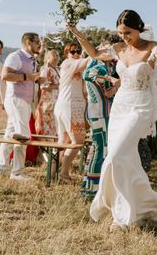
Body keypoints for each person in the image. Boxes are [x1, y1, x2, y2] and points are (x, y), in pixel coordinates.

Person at [68, 11, 157, 230]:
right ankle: (136, 204)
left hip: (141, 108)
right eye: (120, 33)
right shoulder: (118, 49)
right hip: (120, 107)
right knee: (123, 159)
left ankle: (124, 216)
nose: (124, 37)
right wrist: (76, 32)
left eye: (128, 32)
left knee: (116, 156)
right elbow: (94, 53)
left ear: (139, 28)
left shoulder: (151, 47)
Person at [0, 33, 41, 181]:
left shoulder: (31, 59)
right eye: (37, 42)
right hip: (16, 99)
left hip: (25, 101)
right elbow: (5, 75)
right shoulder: (15, 56)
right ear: (28, 42)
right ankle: (17, 173)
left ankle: (2, 168)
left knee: (10, 133)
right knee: (23, 135)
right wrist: (28, 77)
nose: (39, 45)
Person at [81, 50, 117, 199]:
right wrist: (113, 82)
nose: (110, 52)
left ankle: (89, 185)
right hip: (100, 113)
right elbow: (90, 76)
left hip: (98, 112)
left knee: (96, 149)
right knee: (100, 148)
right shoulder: (98, 66)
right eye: (106, 49)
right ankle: (93, 189)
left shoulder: (101, 65)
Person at [54, 43, 90, 182]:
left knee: (63, 141)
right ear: (66, 54)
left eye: (78, 51)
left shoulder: (75, 67)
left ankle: (53, 172)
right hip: (71, 108)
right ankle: (64, 174)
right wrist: (94, 51)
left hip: (65, 107)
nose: (76, 54)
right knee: (78, 141)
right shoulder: (68, 63)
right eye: (72, 52)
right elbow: (88, 61)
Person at [35, 49, 60, 136]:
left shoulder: (58, 69)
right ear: (48, 58)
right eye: (54, 55)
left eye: (57, 55)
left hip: (56, 100)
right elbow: (43, 86)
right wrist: (58, 86)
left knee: (56, 125)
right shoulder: (46, 69)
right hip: (48, 102)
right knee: (48, 127)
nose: (56, 57)